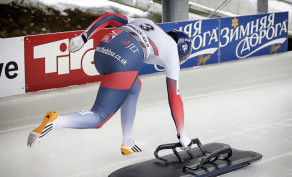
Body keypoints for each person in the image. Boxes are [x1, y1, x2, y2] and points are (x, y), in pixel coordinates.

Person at [27, 12, 193, 155]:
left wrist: (84, 36)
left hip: (101, 52)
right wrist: (182, 134)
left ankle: (128, 143)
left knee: (134, 87)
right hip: (124, 60)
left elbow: (110, 17)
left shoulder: (148, 23)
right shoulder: (172, 52)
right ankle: (56, 121)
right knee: (99, 116)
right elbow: (174, 97)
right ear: (181, 50)